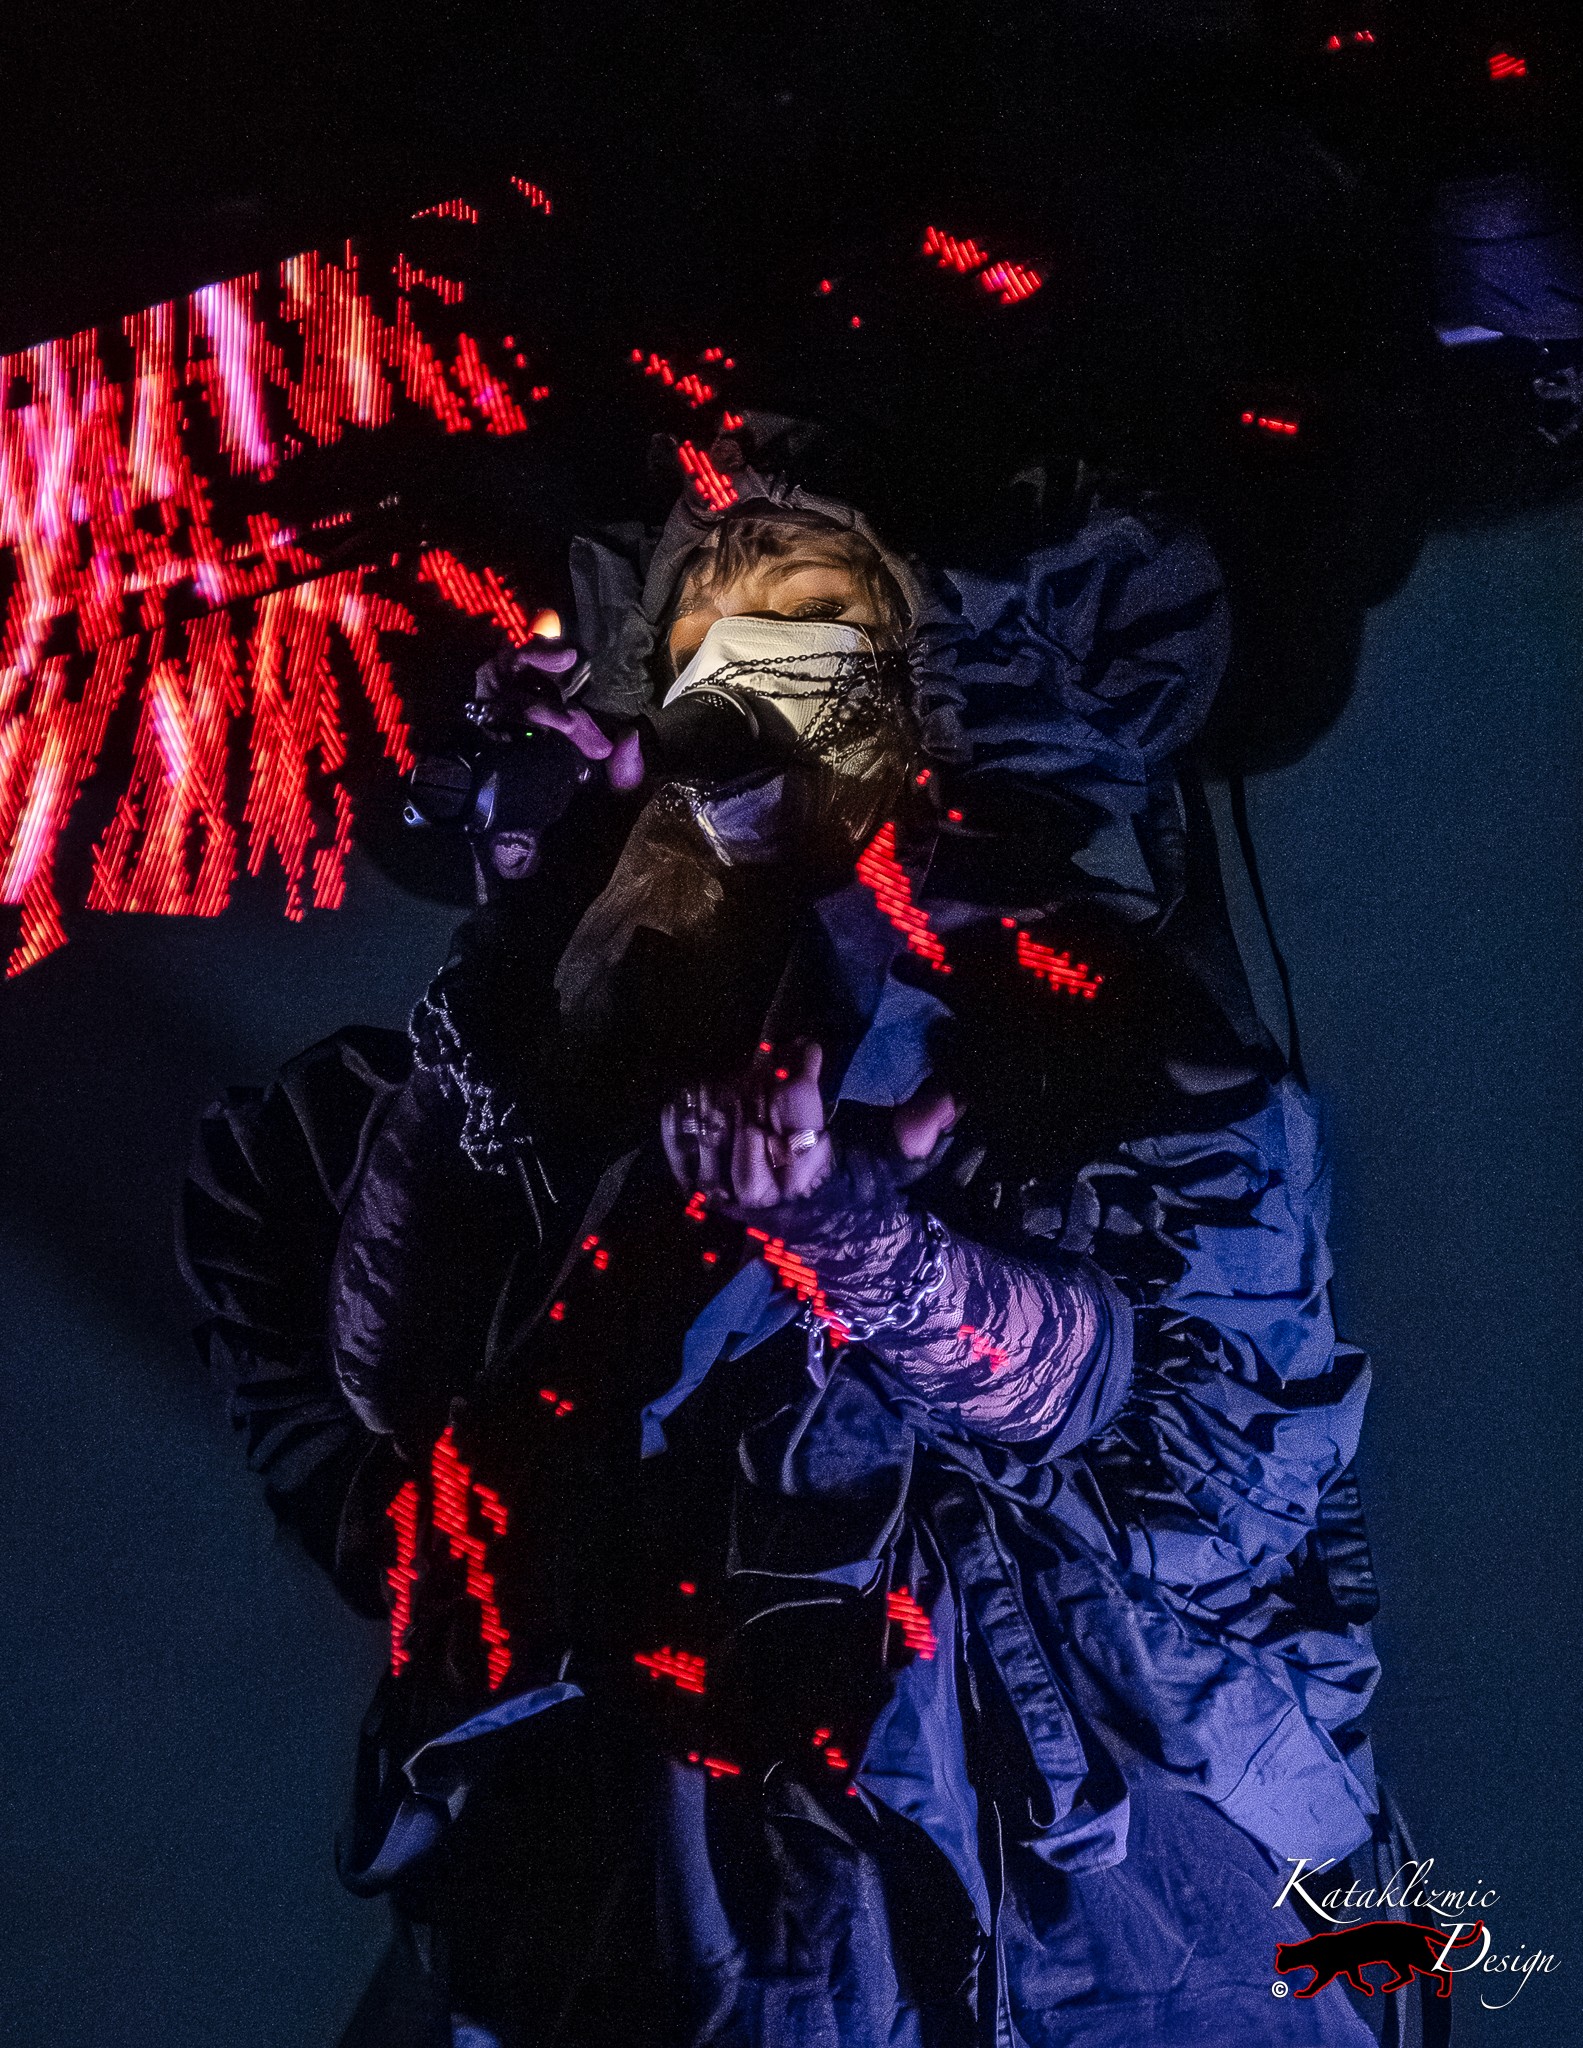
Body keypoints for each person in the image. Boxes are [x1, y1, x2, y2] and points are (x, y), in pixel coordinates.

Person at [181, 428, 1400, 2047]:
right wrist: (558, 974)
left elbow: (1129, 1398)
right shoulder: (707, 1024)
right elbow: (416, 1404)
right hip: (1075, 1924)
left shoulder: (1127, 1070)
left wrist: (836, 1223)